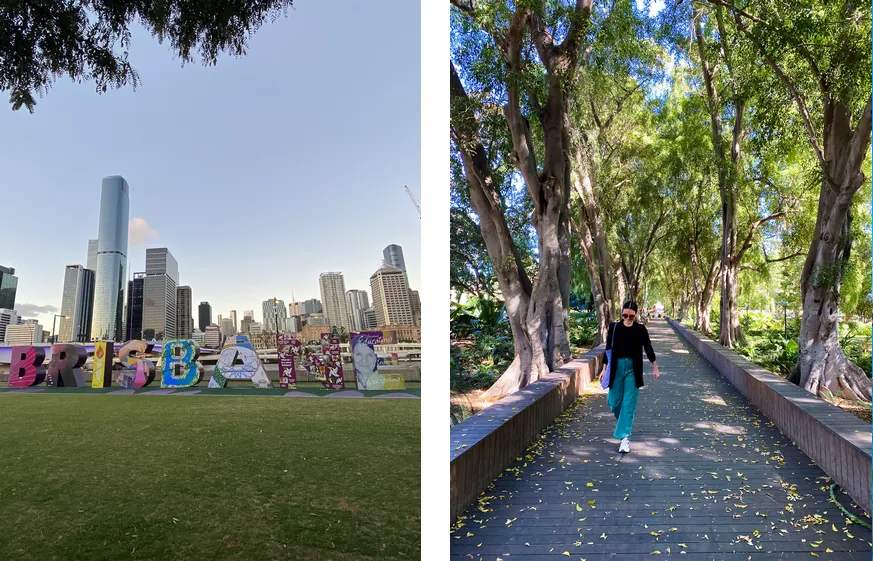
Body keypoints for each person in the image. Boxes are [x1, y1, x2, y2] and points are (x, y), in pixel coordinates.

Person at [599, 301, 659, 453]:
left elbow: (648, 347)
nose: (627, 318)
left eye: (631, 316)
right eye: (625, 315)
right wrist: (604, 369)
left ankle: (625, 438)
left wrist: (655, 367)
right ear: (622, 313)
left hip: (633, 369)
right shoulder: (614, 328)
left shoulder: (640, 329)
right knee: (613, 401)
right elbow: (608, 350)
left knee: (629, 404)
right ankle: (625, 423)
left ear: (636, 315)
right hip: (616, 368)